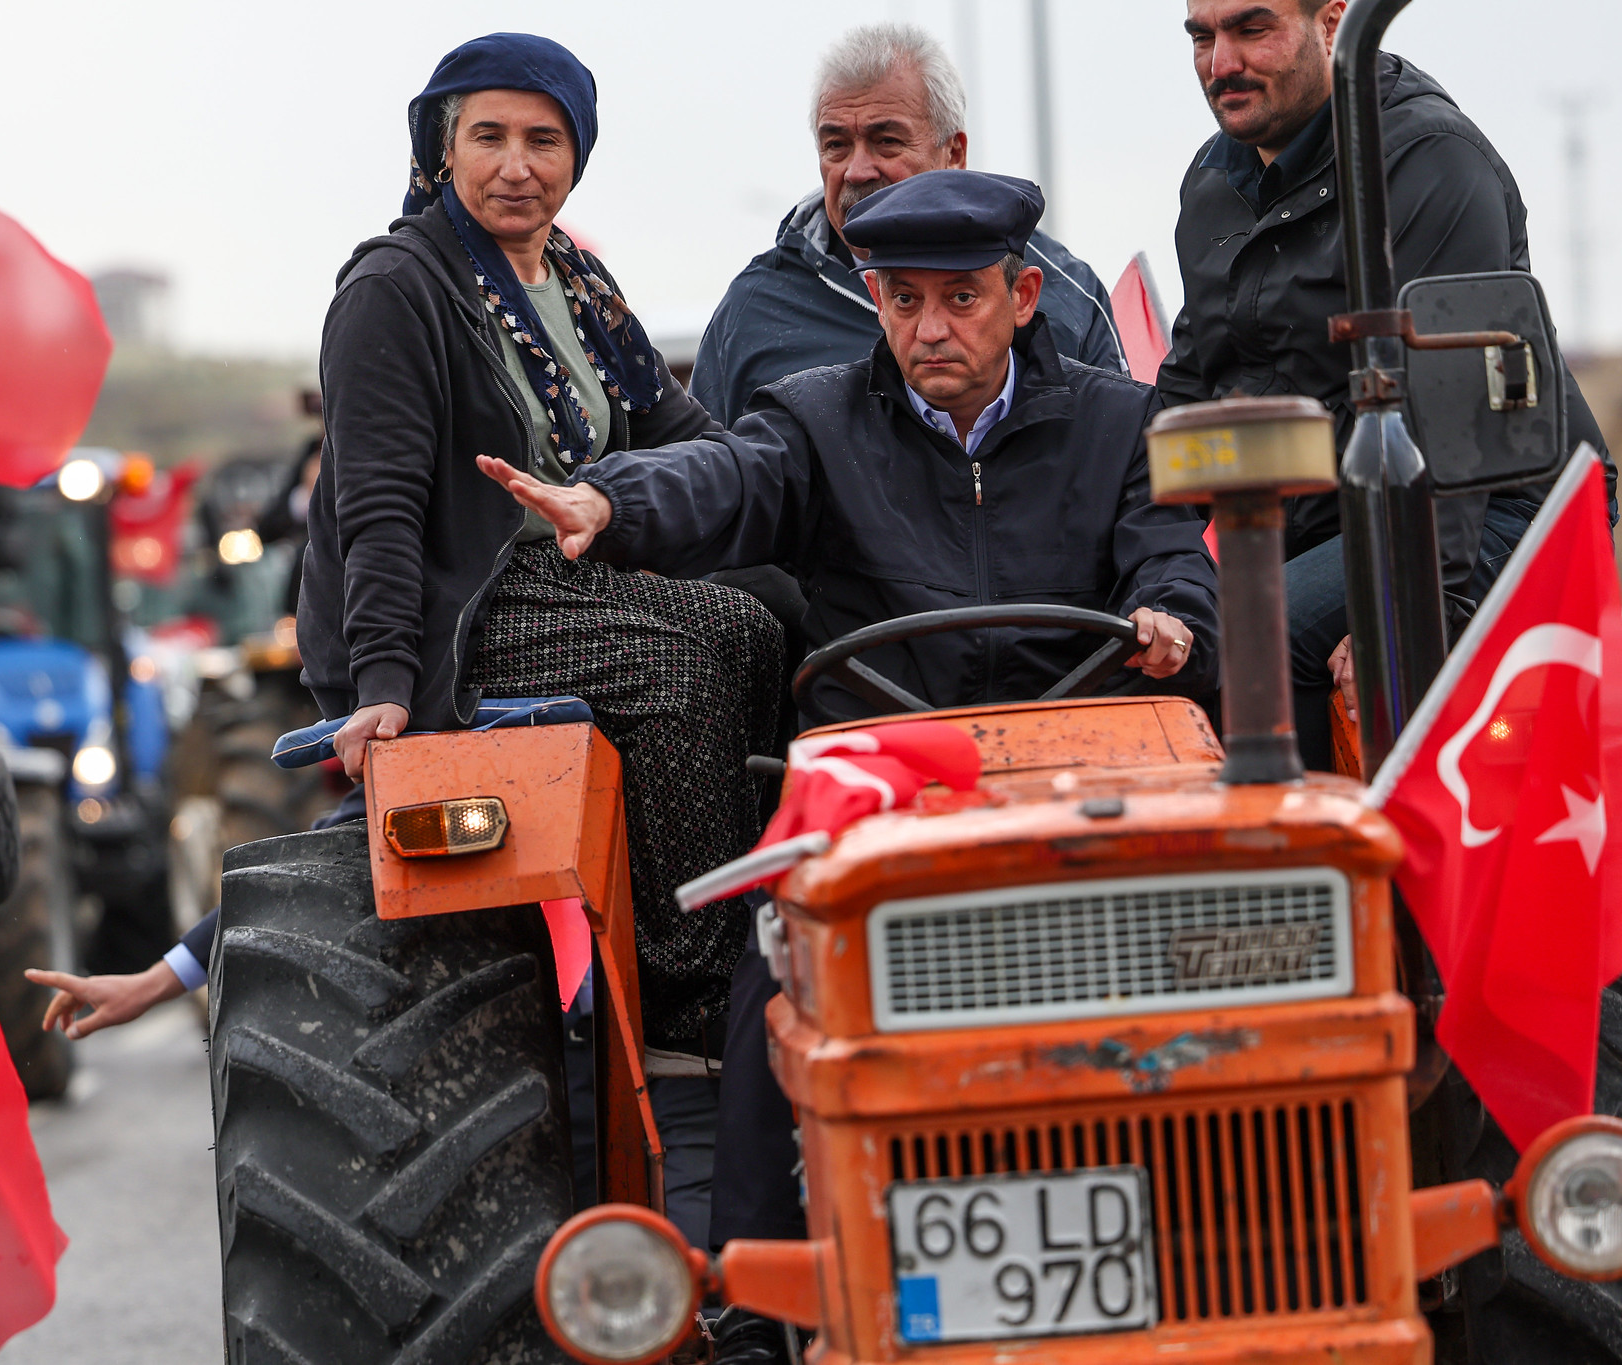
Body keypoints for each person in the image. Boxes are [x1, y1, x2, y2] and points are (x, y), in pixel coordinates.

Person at [29, 32, 783, 1252]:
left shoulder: (580, 288)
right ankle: (694, 999)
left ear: (578, 155)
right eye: (489, 136)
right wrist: (383, 684)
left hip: (572, 578)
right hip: (455, 609)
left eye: (544, 139)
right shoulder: (396, 287)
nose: (517, 164)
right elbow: (376, 503)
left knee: (771, 618)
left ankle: (775, 932)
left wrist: (741, 485)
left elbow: (685, 433)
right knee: (691, 653)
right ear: (442, 147)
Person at [483, 168, 1222, 1365]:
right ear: (874, 300)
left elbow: (1170, 559)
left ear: (1023, 296)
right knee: (779, 958)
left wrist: (1172, 615)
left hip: (1073, 772)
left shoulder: (1117, 423)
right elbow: (725, 477)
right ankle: (758, 1303)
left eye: (961, 298)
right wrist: (610, 505)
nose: (930, 328)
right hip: (886, 786)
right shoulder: (816, 420)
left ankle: (1220, 1237)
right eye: (901, 298)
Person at [1156, 0, 1615, 767]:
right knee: (1168, 642)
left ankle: (1313, 838)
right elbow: (1186, 389)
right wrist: (1135, 559)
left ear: (1333, 21)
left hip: (1494, 504)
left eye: (1251, 29)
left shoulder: (1428, 160)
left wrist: (1410, 612)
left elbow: (1456, 415)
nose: (1220, 63)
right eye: (1202, 37)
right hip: (1335, 511)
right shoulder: (1212, 184)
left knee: (1248, 640)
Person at [692, 23, 1126, 430]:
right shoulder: (753, 311)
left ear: (954, 153)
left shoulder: (1066, 295)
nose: (857, 170)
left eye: (887, 141)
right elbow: (704, 471)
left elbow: (1122, 456)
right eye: (836, 145)